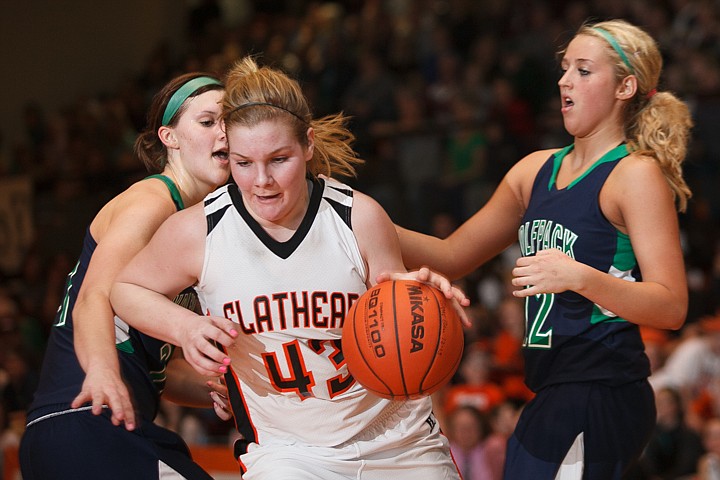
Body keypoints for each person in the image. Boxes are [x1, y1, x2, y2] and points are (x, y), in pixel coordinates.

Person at [110, 55, 469, 480]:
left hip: (398, 440)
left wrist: (420, 299)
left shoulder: (359, 217)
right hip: (287, 453)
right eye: (243, 163)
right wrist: (183, 327)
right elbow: (125, 289)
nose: (261, 180)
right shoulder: (199, 231)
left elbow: (392, 303)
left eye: (279, 159)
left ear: (308, 145)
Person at [392, 19, 693, 479]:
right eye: (564, 67)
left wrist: (580, 277)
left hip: (602, 389)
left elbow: (671, 305)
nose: (564, 80)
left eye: (583, 70)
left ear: (625, 86)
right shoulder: (534, 170)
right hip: (550, 391)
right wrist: (353, 215)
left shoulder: (634, 174)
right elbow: (451, 255)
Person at [19, 72, 233, 480]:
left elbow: (153, 370)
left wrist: (220, 391)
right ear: (169, 138)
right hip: (85, 420)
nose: (222, 133)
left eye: (229, 122)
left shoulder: (189, 226)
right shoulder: (151, 201)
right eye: (207, 123)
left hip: (77, 431)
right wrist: (100, 371)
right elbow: (93, 298)